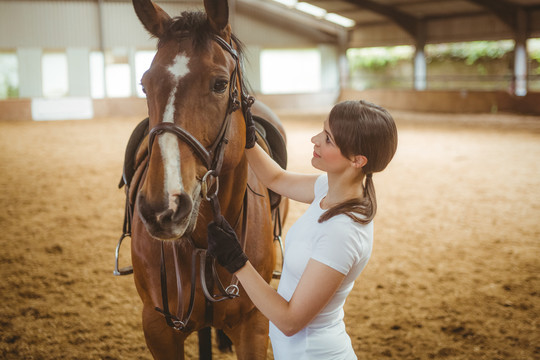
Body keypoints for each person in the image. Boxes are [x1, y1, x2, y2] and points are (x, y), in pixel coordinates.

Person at [207, 100, 398, 359]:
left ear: (357, 160)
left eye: (328, 139)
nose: (315, 139)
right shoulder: (328, 189)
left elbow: (289, 321)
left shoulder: (342, 233)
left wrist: (237, 261)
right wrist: (249, 141)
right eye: (322, 130)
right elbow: (276, 178)